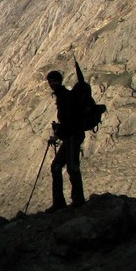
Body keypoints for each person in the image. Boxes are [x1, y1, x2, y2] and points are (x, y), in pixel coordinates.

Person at [45, 70, 85, 211]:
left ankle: (77, 201)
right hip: (71, 135)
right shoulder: (63, 95)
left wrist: (57, 135)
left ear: (59, 81)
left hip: (72, 136)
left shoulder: (64, 97)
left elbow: (70, 120)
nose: (52, 84)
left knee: (71, 167)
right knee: (58, 166)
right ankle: (62, 202)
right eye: (50, 81)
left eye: (54, 80)